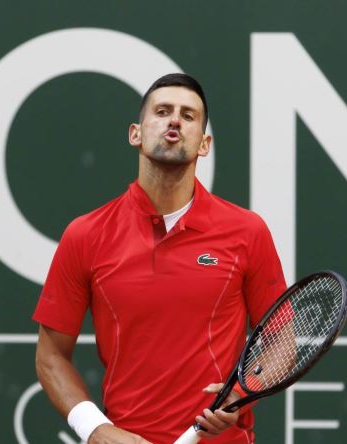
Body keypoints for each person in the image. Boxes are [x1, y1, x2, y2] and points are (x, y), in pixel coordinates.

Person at [32, 73, 286, 443]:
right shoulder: (85, 235)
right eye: (163, 111)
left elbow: (282, 338)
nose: (174, 121)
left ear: (204, 144)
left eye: (188, 115)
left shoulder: (248, 232)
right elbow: (50, 355)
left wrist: (243, 393)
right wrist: (96, 429)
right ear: (135, 134)